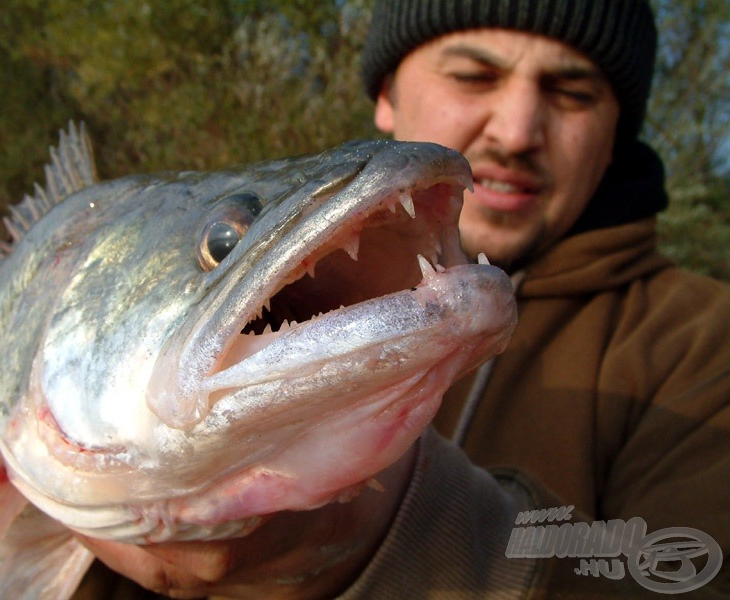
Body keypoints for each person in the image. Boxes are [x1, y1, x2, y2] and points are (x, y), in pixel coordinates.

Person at [75, 0, 730, 597]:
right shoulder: (241, 254)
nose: (517, 130)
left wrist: (389, 537)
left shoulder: (703, 345)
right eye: (474, 76)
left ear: (617, 134)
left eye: (572, 92)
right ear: (385, 93)